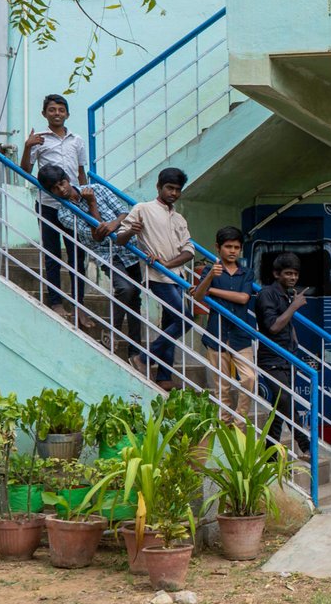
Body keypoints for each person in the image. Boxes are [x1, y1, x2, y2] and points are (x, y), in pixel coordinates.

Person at [36, 164, 142, 361]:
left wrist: (113, 224)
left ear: (68, 179)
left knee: (135, 300)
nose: (61, 190)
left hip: (130, 248)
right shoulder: (64, 214)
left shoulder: (98, 189)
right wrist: (92, 205)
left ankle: (135, 353)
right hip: (107, 255)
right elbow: (96, 237)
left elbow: (124, 212)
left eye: (62, 183)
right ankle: (112, 332)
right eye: (55, 189)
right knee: (125, 289)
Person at [114, 167, 193, 389]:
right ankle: (144, 358)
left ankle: (164, 377)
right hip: (156, 277)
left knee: (171, 323)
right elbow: (120, 239)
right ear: (158, 187)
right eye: (169, 188)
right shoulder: (143, 209)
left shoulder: (179, 218)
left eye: (178, 190)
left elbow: (189, 250)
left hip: (176, 277)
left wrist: (168, 264)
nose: (174, 193)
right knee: (184, 319)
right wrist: (132, 231)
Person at [21, 94, 89, 325]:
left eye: (61, 109)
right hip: (48, 205)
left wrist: (84, 197)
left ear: (67, 114)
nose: (57, 113)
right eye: (52, 109)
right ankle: (56, 301)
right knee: (52, 254)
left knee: (77, 256)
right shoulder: (39, 140)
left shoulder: (77, 140)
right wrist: (27, 146)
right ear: (44, 114)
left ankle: (79, 304)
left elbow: (81, 173)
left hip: (73, 206)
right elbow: (25, 171)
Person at [189, 226, 258, 423]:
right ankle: (224, 421)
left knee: (249, 378)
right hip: (216, 333)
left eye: (236, 247)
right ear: (218, 247)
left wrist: (213, 291)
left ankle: (240, 421)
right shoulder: (211, 270)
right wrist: (210, 277)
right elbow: (199, 296)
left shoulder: (246, 273)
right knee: (222, 387)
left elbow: (243, 298)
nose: (233, 251)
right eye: (228, 246)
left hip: (240, 334)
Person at [253, 252, 307, 453]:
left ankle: (269, 453)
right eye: (288, 273)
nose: (293, 278)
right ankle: (305, 444)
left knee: (279, 409)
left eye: (295, 274)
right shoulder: (267, 294)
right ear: (277, 274)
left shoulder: (286, 294)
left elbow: (286, 325)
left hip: (287, 357)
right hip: (271, 359)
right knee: (283, 401)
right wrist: (294, 306)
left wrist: (294, 340)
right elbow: (273, 326)